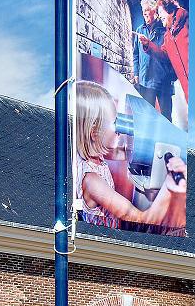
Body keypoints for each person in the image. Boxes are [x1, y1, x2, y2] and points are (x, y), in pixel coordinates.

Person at [73, 81, 186, 230]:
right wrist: (170, 185)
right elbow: (143, 219)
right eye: (115, 122)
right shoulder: (92, 181)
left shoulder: (95, 158)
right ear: (94, 132)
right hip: (105, 240)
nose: (120, 128)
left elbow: (125, 152)